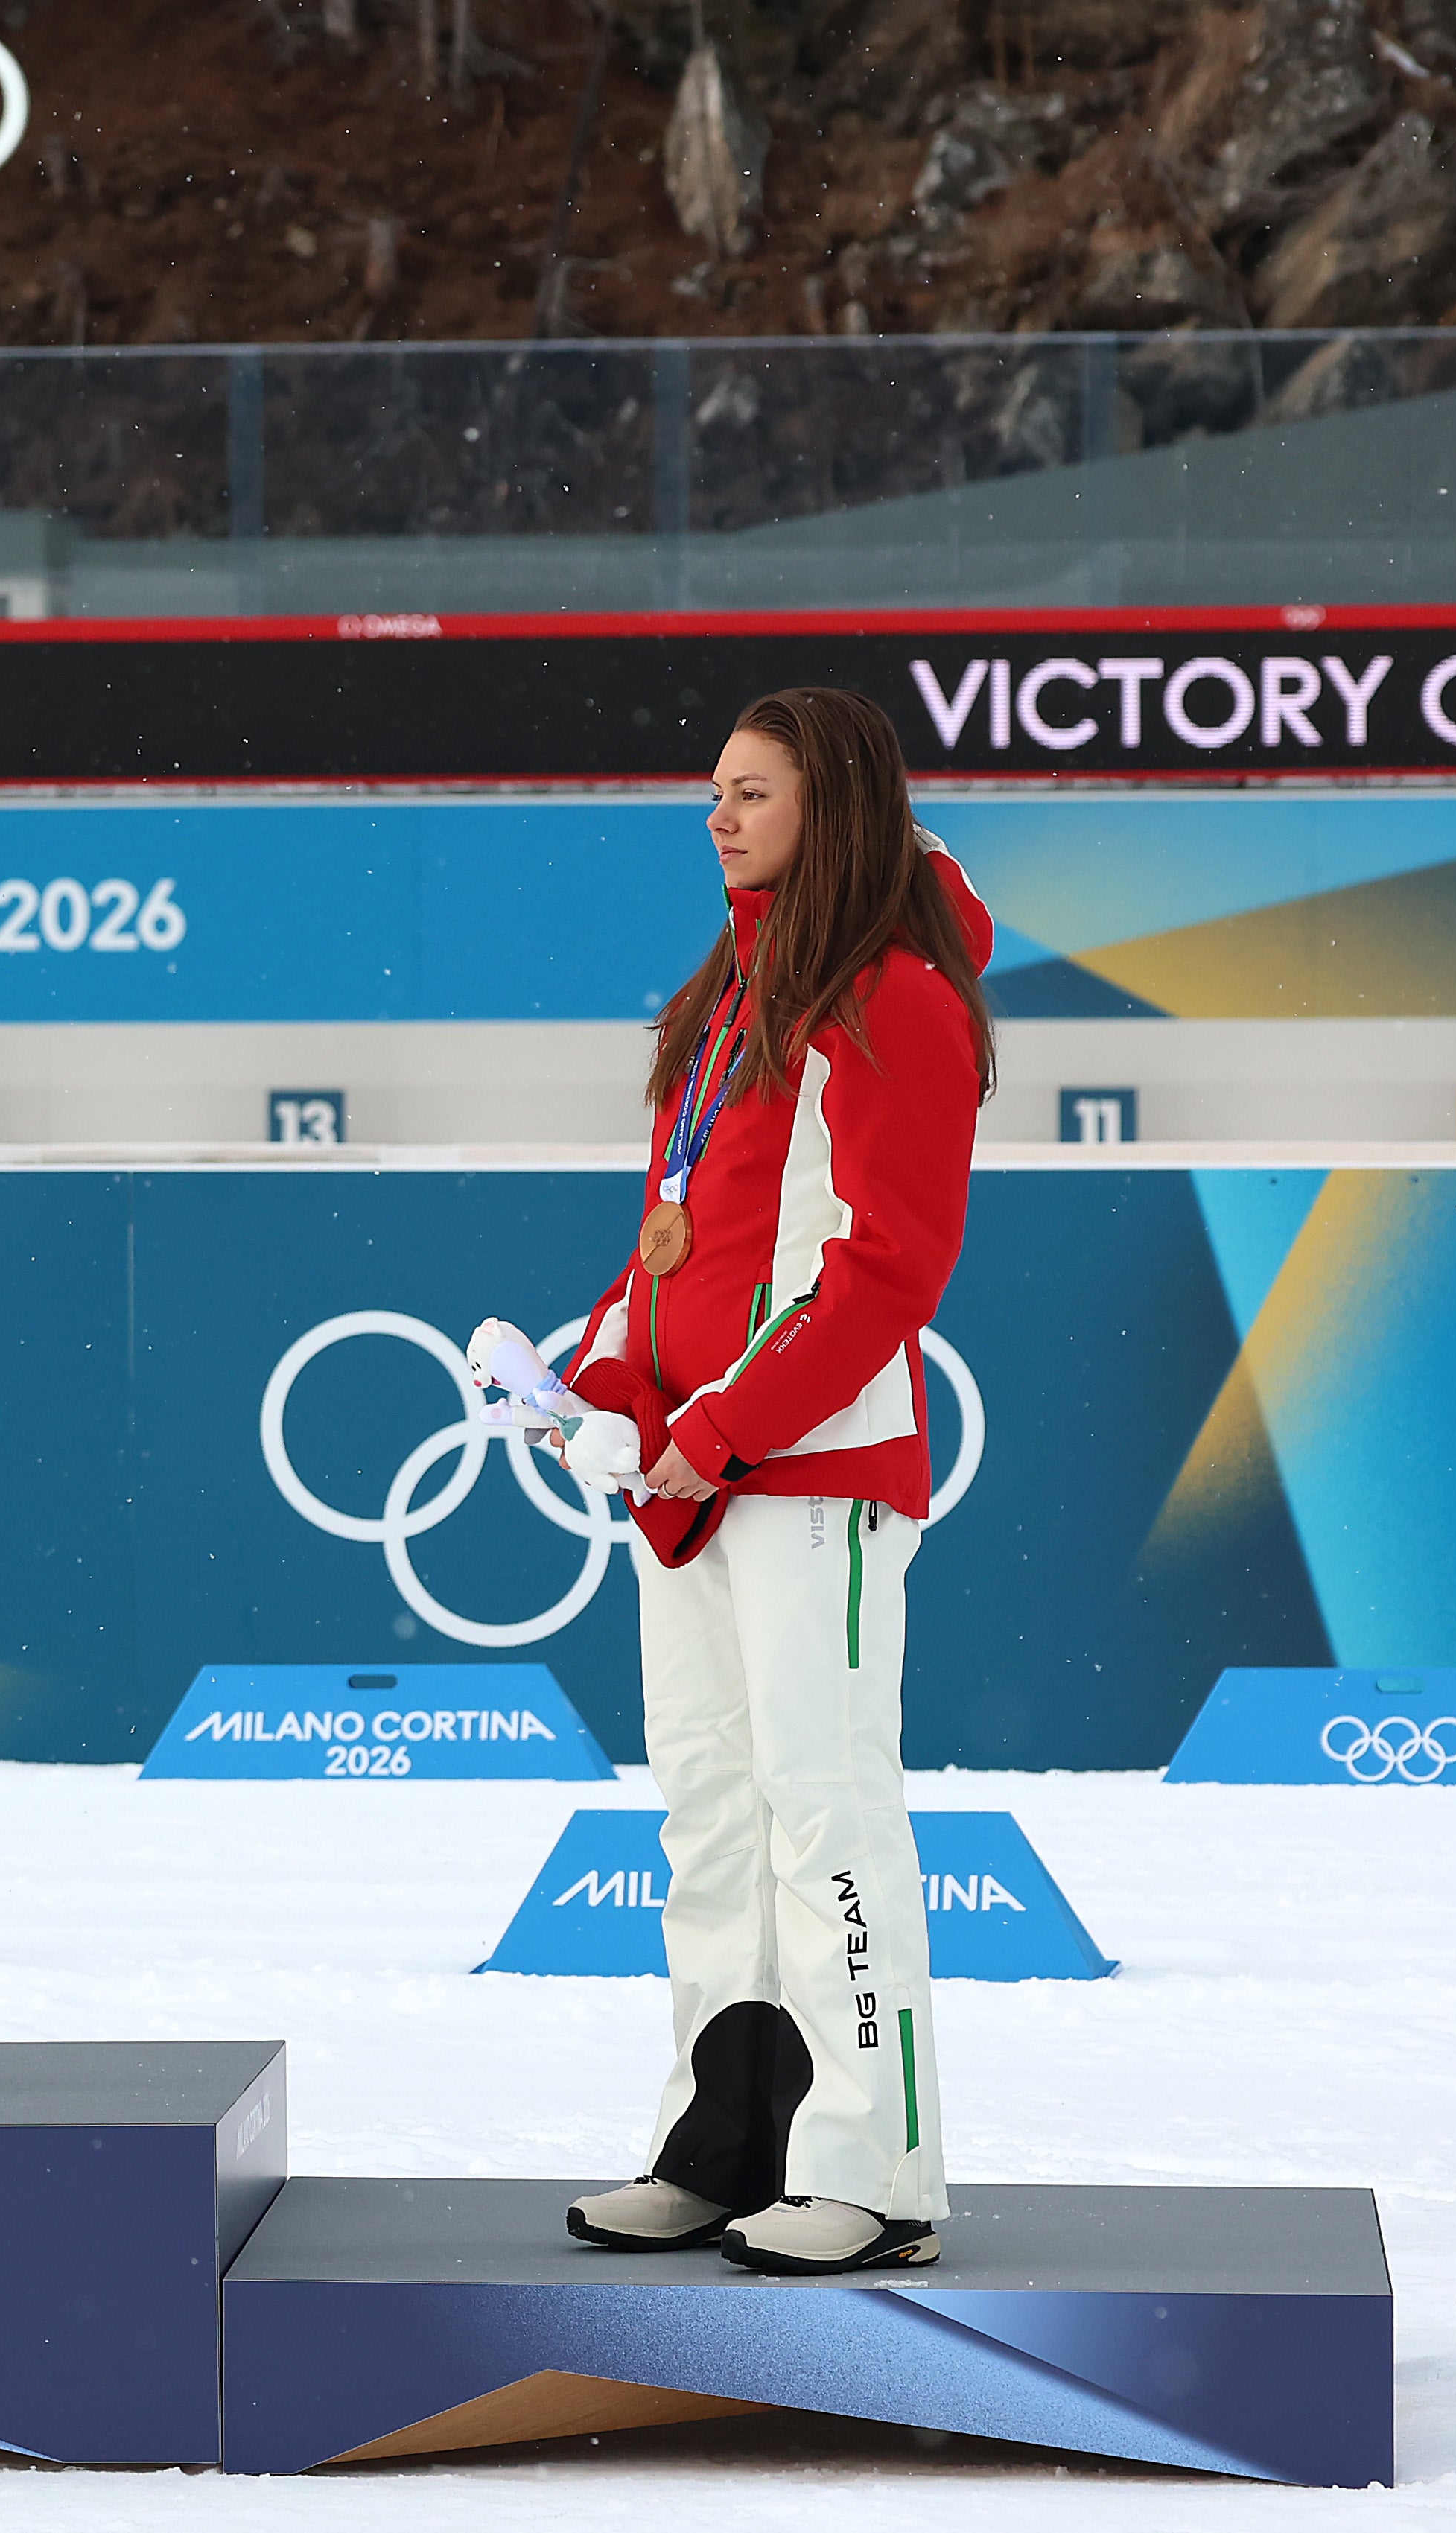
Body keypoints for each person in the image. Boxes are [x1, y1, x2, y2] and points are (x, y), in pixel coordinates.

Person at [547, 686, 996, 2276]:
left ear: (839, 805)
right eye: (712, 791)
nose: (719, 816)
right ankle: (726, 2142)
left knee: (826, 1815)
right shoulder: (727, 1000)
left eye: (752, 792)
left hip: (814, 1476)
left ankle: (876, 2173)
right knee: (715, 1824)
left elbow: (881, 1273)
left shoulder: (894, 1001)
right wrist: (598, 1380)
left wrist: (718, 1423)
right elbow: (677, 1245)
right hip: (698, 1478)